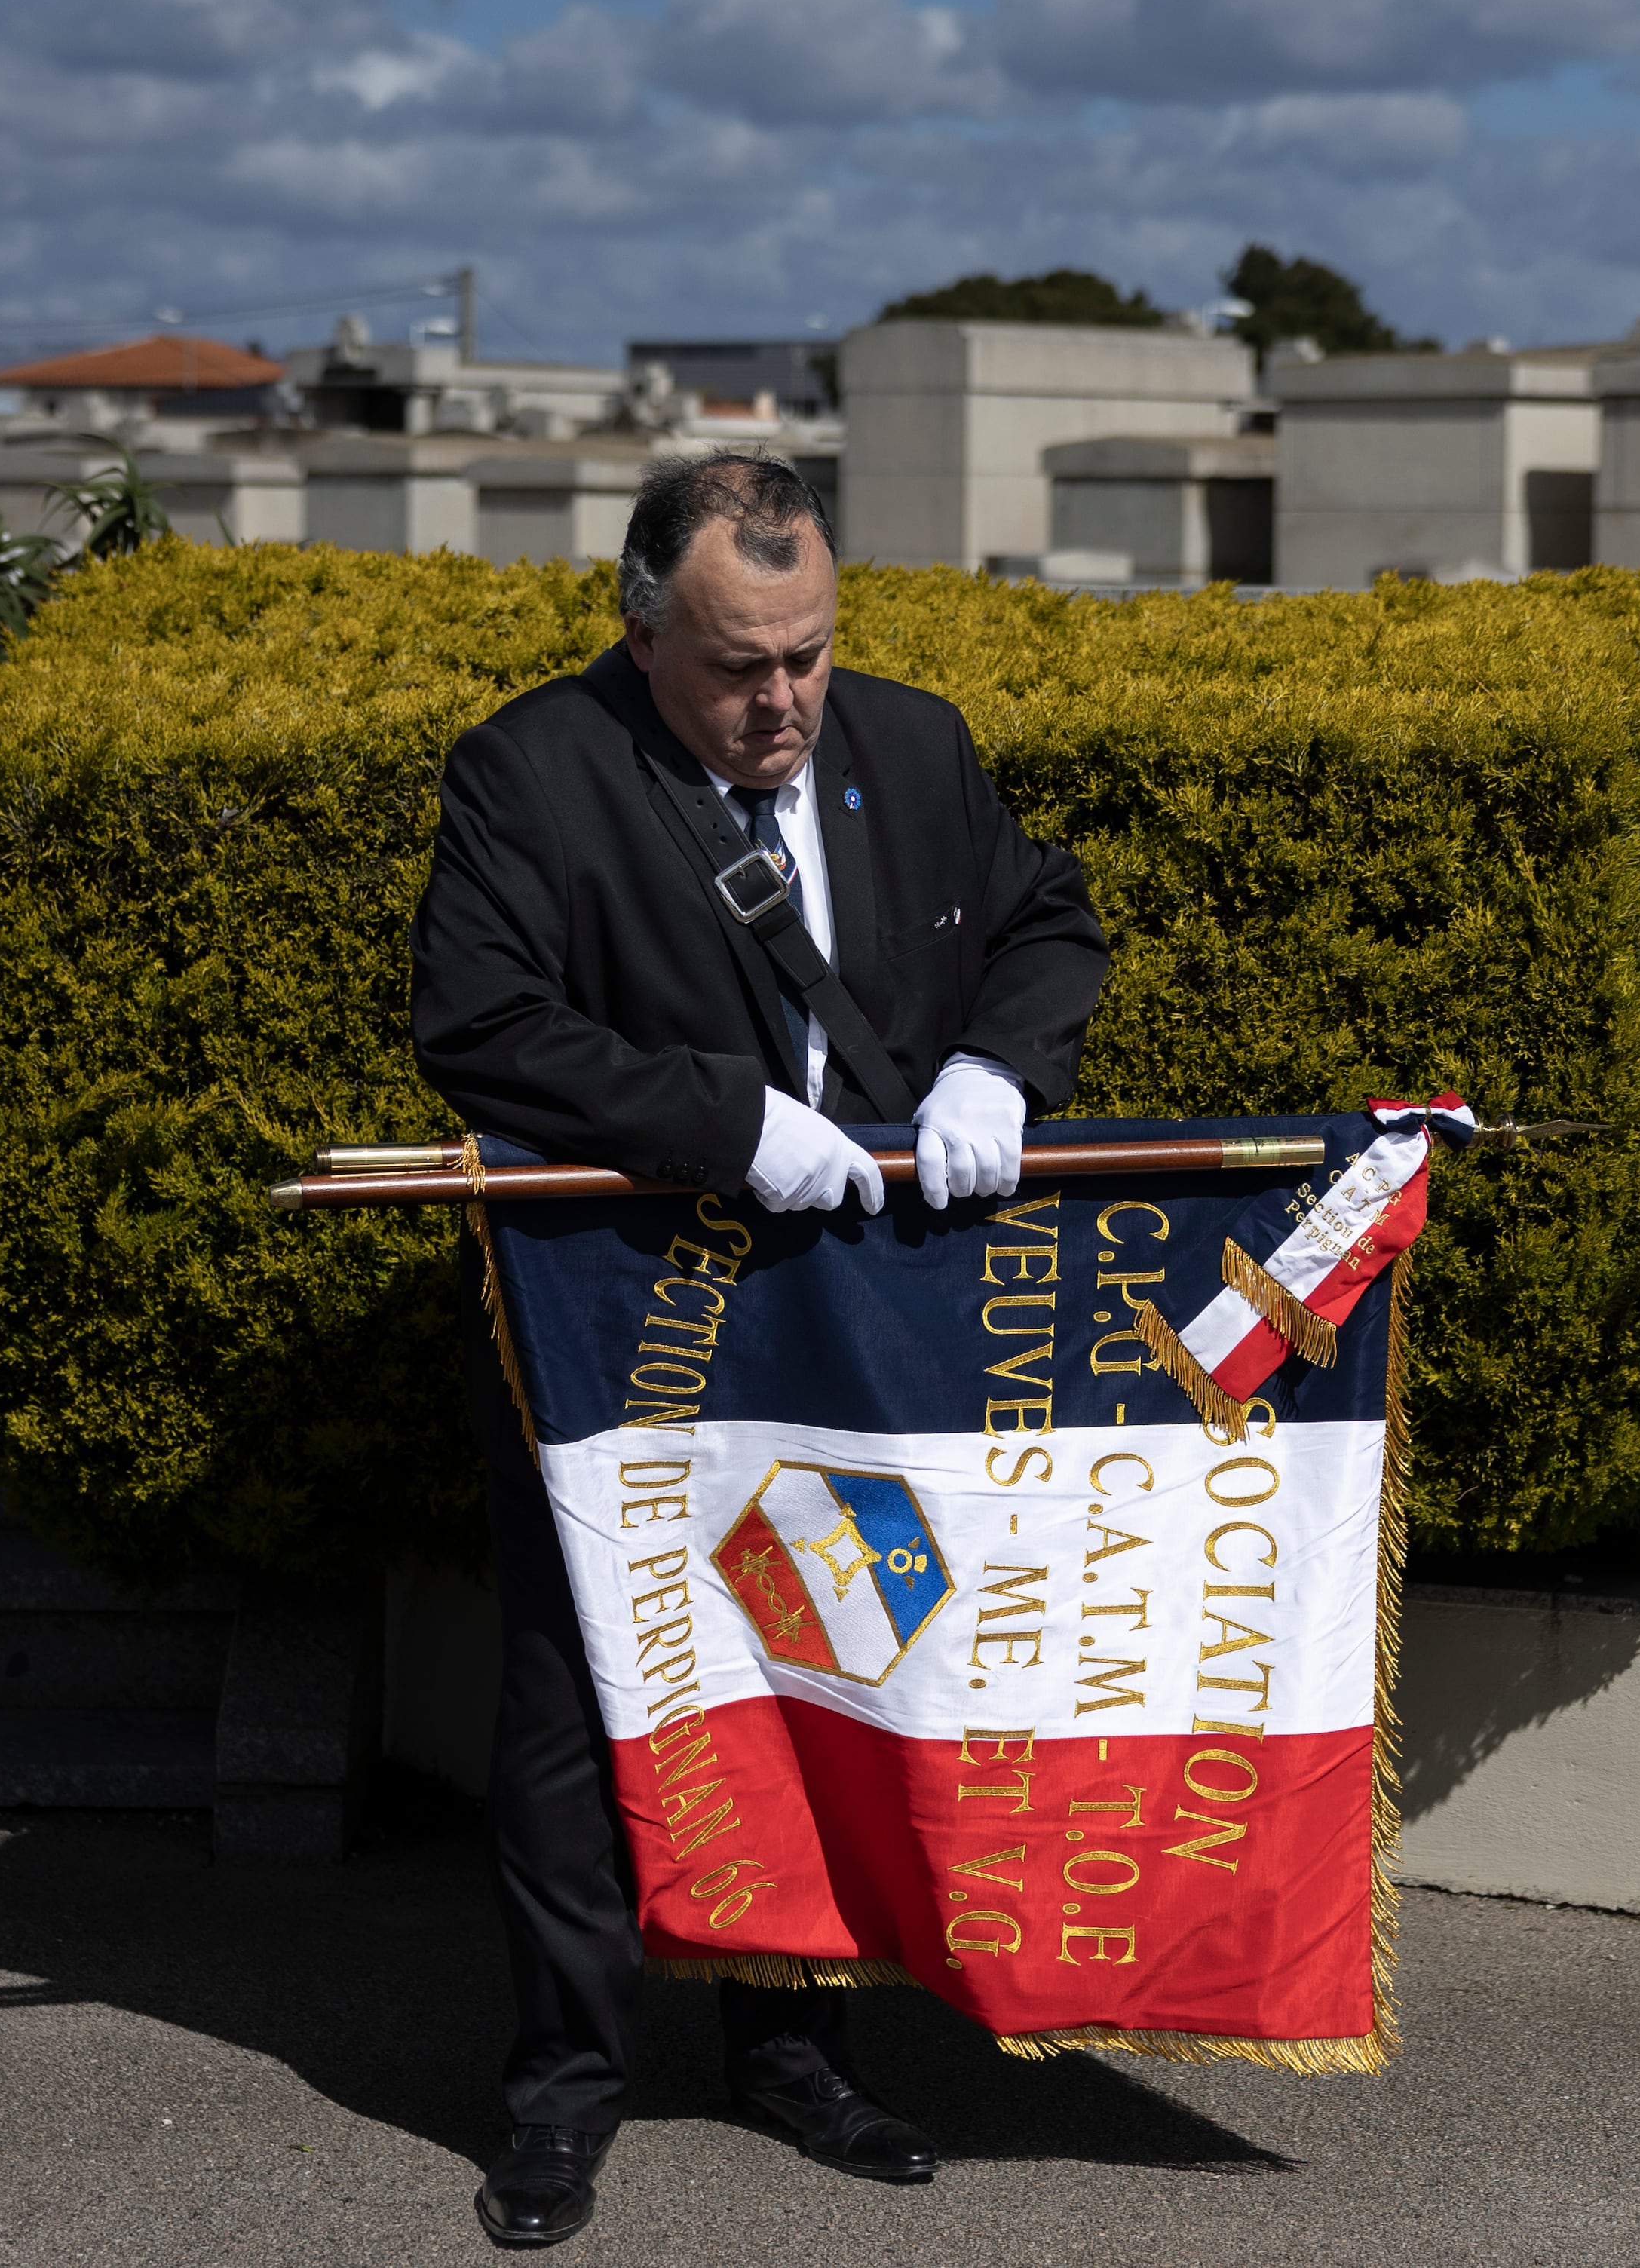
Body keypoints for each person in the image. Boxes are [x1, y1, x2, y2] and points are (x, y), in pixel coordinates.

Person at [412, 452, 1109, 2248]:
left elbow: (1047, 921)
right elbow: (481, 1026)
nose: (781, 700)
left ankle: (793, 2054)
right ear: (641, 631)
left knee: (825, 1663)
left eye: (804, 654)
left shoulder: (917, 742)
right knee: (586, 1702)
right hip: (623, 1321)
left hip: (848, 1328)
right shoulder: (530, 769)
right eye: (736, 664)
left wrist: (997, 1066)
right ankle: (562, 2092)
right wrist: (720, 1119)